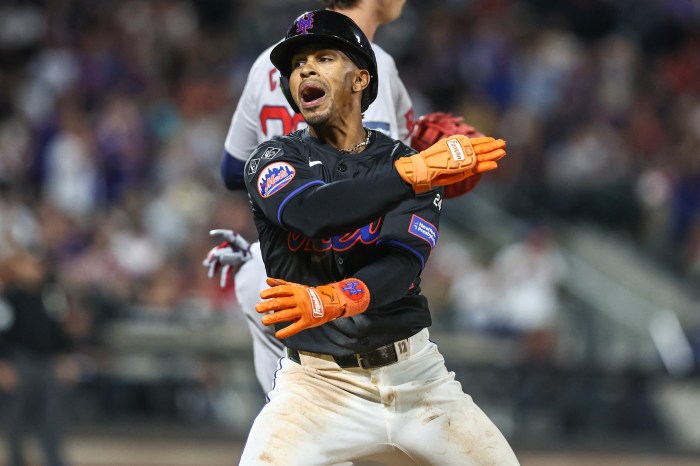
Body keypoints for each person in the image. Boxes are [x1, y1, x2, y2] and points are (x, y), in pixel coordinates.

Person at [237, 9, 518, 465]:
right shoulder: (272, 157)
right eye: (296, 65)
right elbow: (312, 214)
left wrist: (331, 300)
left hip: (416, 380)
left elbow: (401, 265)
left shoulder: (405, 162)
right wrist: (414, 173)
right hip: (316, 388)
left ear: (361, 78)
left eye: (324, 57)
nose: (304, 69)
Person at [204, 0, 481, 394]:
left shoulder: (267, 60)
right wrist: (420, 158)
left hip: (269, 269)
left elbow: (234, 170)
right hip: (335, 269)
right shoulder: (370, 66)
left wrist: (276, 187)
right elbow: (369, 172)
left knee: (292, 420)